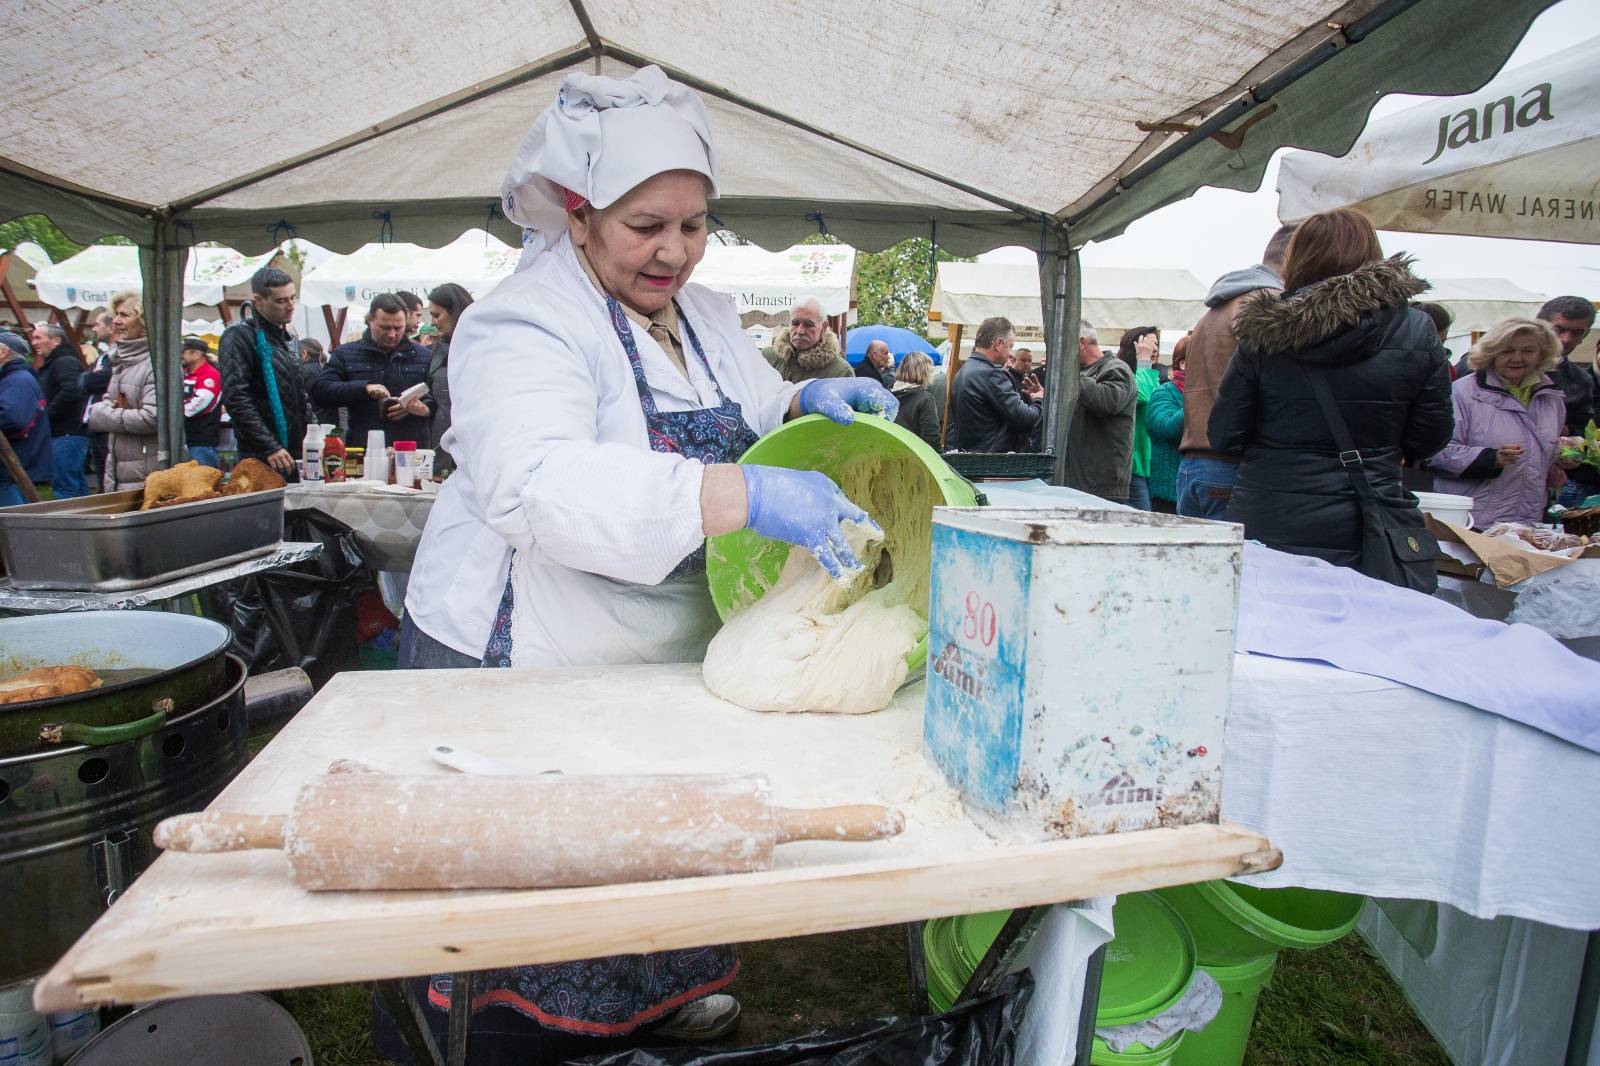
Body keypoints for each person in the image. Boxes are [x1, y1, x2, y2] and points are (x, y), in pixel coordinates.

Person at [395, 65, 897, 1059]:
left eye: (694, 223)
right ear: (579, 215)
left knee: (653, 831)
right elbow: (531, 486)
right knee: (538, 866)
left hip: (666, 632)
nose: (674, 250)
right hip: (532, 638)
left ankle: (649, 1001)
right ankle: (509, 1037)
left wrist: (799, 408)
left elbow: (742, 410)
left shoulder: (704, 314)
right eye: (645, 225)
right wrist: (746, 496)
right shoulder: (523, 321)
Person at [1208, 208, 1452, 579]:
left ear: (1298, 258)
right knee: (1366, 629)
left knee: (1270, 630)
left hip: (1272, 515)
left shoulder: (1263, 331)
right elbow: (1429, 439)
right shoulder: (1417, 330)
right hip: (1367, 519)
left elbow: (1225, 433)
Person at [1177, 224, 1296, 518]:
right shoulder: (1265, 302)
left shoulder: (1216, 309)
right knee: (1237, 563)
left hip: (1194, 463)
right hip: (1229, 464)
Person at [1428, 318, 1569, 526]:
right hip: (1472, 520)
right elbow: (1435, 451)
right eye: (1507, 350)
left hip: (1528, 519)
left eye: (1528, 351)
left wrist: (1562, 456)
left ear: (1542, 354)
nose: (1517, 358)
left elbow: (1543, 448)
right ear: (1492, 352)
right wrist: (1490, 458)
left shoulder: (1551, 397)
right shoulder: (1462, 393)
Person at [218, 267, 313, 478]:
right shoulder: (238, 335)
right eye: (281, 301)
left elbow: (299, 394)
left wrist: (315, 432)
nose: (290, 307)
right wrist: (269, 445)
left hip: (293, 449)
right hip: (262, 453)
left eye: (292, 298)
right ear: (258, 300)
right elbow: (236, 397)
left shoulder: (289, 339)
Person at [314, 293, 432, 450]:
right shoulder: (345, 353)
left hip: (411, 450)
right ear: (370, 320)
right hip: (363, 447)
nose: (392, 334)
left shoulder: (423, 355)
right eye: (385, 328)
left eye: (398, 328)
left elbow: (439, 399)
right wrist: (363, 388)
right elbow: (322, 391)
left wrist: (422, 409)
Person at [1528, 297, 1600, 508]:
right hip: (1483, 476)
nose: (1566, 339)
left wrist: (1568, 438)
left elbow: (1584, 433)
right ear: (1540, 324)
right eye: (1559, 329)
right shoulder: (1497, 364)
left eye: (1576, 332)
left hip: (1543, 486)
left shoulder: (1579, 380)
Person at [86, 291, 159, 492]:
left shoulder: (155, 364)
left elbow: (153, 417)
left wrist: (102, 414)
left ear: (144, 320)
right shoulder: (122, 360)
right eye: (116, 314)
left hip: (146, 472)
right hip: (121, 468)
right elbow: (109, 400)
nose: (116, 321)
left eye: (125, 315)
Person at [1062, 317, 1136, 501]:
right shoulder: (1081, 373)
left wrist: (1072, 375)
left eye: (1064, 344)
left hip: (1102, 485)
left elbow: (1108, 402)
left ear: (1081, 343)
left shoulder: (1117, 369)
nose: (1061, 352)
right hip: (1078, 481)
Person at [948, 316, 1042, 452]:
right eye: (1010, 346)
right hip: (995, 465)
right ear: (998, 343)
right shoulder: (991, 374)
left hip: (972, 460)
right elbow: (1024, 419)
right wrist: (1038, 398)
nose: (1010, 353)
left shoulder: (962, 372)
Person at [30, 323, 88, 498]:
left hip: (67, 434)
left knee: (66, 488)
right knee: (74, 485)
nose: (33, 342)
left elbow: (72, 390)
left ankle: (69, 525)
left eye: (38, 337)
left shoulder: (65, 361)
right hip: (65, 434)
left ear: (55, 340)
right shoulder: (57, 362)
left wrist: (46, 414)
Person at [425, 282, 474, 472]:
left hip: (471, 444)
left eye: (437, 315)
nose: (433, 322)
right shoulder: (439, 350)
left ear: (454, 311)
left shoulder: (480, 346)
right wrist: (424, 406)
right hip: (441, 446)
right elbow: (433, 395)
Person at [0, 331, 50, 506]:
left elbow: (15, 420)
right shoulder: (13, 378)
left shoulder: (17, 380)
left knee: (13, 528)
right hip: (11, 472)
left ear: (3, 352)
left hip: (12, 472)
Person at [1117, 327, 1161, 510]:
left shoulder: (1151, 376)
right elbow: (1139, 396)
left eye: (1156, 344)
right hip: (1131, 468)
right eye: (1148, 344)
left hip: (1146, 468)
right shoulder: (1120, 373)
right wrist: (1143, 363)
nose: (1154, 349)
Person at [762, 298, 852, 383]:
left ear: (824, 326)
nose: (800, 331)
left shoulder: (841, 372)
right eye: (795, 323)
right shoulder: (767, 358)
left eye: (808, 324)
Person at [1146, 335, 1187, 513]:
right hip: (1168, 492)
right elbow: (1166, 428)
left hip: (1192, 489)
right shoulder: (1163, 393)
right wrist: (1197, 398)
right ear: (1183, 363)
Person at [180, 337, 224, 469]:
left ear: (197, 354)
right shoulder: (187, 374)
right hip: (187, 439)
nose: (181, 355)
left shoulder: (210, 375)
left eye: (184, 352)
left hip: (201, 442)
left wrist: (172, 412)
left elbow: (194, 407)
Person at [891, 351, 941, 448]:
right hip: (915, 456)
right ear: (924, 373)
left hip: (890, 453)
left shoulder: (888, 395)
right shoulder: (925, 399)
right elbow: (931, 438)